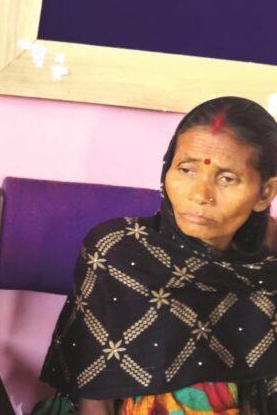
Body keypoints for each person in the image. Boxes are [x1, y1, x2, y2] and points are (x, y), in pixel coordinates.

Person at [35, 97, 277, 414]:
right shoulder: (118, 252)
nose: (199, 194)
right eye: (186, 170)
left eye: (226, 179)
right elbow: (93, 391)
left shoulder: (267, 267)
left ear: (265, 193)